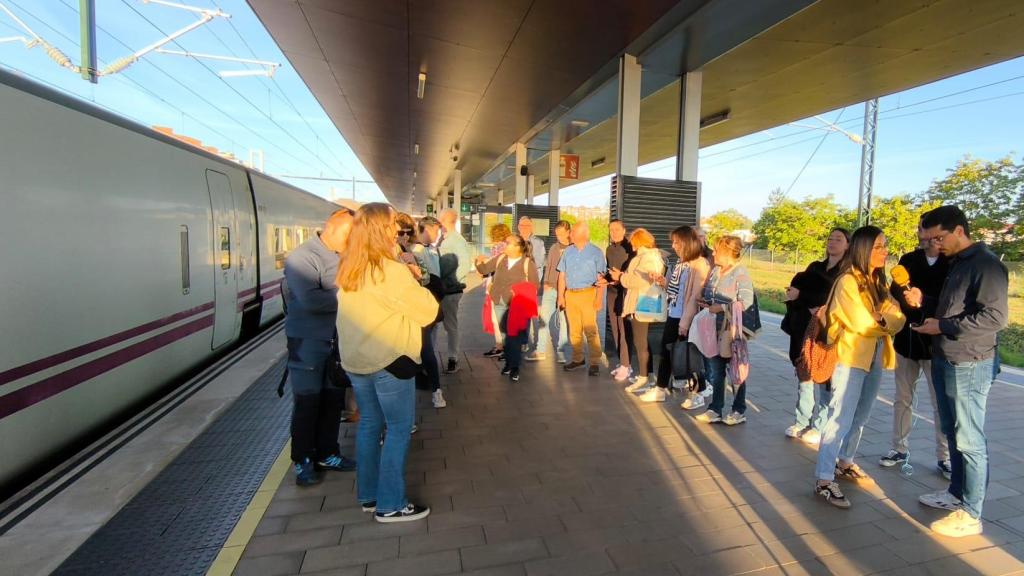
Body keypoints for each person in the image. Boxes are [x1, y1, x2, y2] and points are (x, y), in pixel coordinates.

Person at [336, 203, 438, 523]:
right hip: (389, 361)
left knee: (369, 425)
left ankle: (368, 495)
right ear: (382, 229)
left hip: (356, 361)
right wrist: (413, 276)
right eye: (394, 224)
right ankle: (391, 504)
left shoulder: (349, 268)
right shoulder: (391, 271)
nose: (399, 230)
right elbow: (427, 311)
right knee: (397, 430)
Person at [913, 205, 1009, 538]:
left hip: (969, 362)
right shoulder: (957, 263)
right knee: (953, 431)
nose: (934, 246)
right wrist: (926, 304)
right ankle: (955, 493)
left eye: (938, 238)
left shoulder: (986, 265)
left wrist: (943, 324)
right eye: (929, 240)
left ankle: (971, 513)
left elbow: (995, 319)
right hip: (946, 356)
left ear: (958, 230)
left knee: (969, 438)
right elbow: (953, 306)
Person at [813, 226, 905, 510]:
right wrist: (882, 321)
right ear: (864, 249)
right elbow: (862, 323)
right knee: (839, 417)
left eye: (885, 245)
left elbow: (898, 317)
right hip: (850, 357)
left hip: (875, 355)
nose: (885, 251)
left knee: (861, 414)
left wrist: (881, 320)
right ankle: (824, 479)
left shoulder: (877, 282)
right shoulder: (848, 282)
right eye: (878, 246)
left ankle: (845, 462)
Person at [283, 208, 358, 486]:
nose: (352, 243)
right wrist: (351, 294)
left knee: (332, 399)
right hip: (308, 344)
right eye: (350, 236)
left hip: (337, 341)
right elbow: (312, 302)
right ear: (334, 229)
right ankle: (303, 459)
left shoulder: (343, 256)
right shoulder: (301, 258)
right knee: (307, 401)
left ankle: (328, 452)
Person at [879, 222, 950, 476]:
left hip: (937, 346)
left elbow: (953, 301)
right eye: (919, 229)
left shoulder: (952, 262)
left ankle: (945, 456)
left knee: (940, 403)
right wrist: (904, 299)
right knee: (902, 399)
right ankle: (899, 448)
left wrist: (925, 302)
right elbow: (894, 291)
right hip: (906, 341)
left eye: (923, 230)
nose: (919, 234)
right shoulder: (908, 259)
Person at [781, 228, 849, 446]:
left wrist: (804, 297)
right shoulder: (815, 267)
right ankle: (801, 420)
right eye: (830, 238)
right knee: (804, 375)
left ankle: (820, 426)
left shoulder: (846, 273)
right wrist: (805, 300)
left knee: (824, 378)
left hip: (828, 333)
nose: (832, 242)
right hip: (805, 330)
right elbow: (796, 294)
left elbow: (831, 300)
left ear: (848, 244)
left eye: (838, 239)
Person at [695, 236, 755, 426]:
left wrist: (721, 308)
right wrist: (704, 300)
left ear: (728, 252)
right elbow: (708, 293)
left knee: (736, 368)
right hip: (712, 328)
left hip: (731, 330)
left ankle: (738, 410)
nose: (713, 253)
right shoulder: (716, 271)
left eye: (716, 250)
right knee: (716, 370)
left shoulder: (740, 273)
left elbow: (746, 301)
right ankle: (715, 408)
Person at [654, 226, 711, 407]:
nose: (673, 246)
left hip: (686, 317)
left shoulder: (699, 264)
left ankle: (698, 393)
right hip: (674, 312)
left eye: (676, 242)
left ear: (687, 242)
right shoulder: (680, 262)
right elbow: (676, 289)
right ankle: (660, 389)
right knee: (667, 351)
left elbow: (695, 296)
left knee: (689, 356)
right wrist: (664, 282)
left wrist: (685, 322)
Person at [475, 235, 540, 381]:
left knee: (514, 337)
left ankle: (515, 367)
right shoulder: (500, 258)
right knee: (504, 335)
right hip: (499, 301)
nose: (504, 244)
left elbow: (535, 284)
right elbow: (485, 269)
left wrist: (517, 290)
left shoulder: (527, 263)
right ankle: (509, 363)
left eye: (508, 243)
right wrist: (478, 261)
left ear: (517, 247)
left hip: (516, 305)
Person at [398, 213, 446, 409]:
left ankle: (436, 390)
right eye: (400, 232)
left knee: (425, 350)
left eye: (408, 232)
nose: (404, 236)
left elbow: (426, 279)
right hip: (396, 312)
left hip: (416, 310)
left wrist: (414, 268)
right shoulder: (384, 254)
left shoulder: (414, 253)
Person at [610, 228, 665, 397]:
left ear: (639, 241)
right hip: (643, 302)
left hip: (642, 303)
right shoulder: (650, 256)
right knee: (642, 343)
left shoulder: (646, 257)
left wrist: (621, 277)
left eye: (633, 241)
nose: (631, 244)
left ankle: (643, 377)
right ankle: (645, 375)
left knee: (640, 343)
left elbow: (640, 281)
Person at [557, 222, 607, 377]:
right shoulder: (567, 252)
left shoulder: (596, 252)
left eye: (572, 232)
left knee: (591, 330)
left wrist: (599, 298)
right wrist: (560, 296)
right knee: (574, 330)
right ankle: (578, 359)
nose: (570, 235)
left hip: (588, 293)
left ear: (582, 234)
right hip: (570, 295)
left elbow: (601, 278)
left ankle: (594, 362)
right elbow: (562, 275)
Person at [528, 220, 572, 363]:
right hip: (551, 288)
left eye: (561, 234)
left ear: (568, 232)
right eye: (557, 234)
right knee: (543, 319)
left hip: (567, 291)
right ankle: (540, 350)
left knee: (564, 322)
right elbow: (549, 265)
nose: (559, 236)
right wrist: (545, 282)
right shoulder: (554, 247)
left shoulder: (573, 248)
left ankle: (560, 351)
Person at [436, 209, 471, 374]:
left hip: (450, 290)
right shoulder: (445, 239)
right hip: (443, 289)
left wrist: (450, 282)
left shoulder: (456, 240)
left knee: (450, 325)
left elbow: (464, 264)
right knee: (444, 324)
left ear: (444, 221)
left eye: (440, 220)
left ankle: (453, 358)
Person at [606, 220, 636, 380]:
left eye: (617, 229)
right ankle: (623, 363)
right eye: (611, 230)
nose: (614, 232)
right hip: (612, 292)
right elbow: (608, 270)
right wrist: (604, 278)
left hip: (625, 293)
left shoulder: (630, 248)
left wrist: (621, 279)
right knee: (616, 329)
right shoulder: (609, 249)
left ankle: (626, 364)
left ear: (624, 230)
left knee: (625, 329)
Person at [482, 223, 512, 358]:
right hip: (506, 287)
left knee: (496, 317)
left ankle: (501, 346)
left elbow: (493, 268)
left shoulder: (497, 248)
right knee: (503, 316)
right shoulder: (510, 248)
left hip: (495, 286)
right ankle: (503, 346)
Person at [518, 217, 547, 353]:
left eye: (527, 225)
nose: (524, 227)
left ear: (532, 227)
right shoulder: (514, 241)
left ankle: (524, 341)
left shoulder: (538, 243)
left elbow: (539, 263)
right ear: (518, 226)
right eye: (521, 225)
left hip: (529, 283)